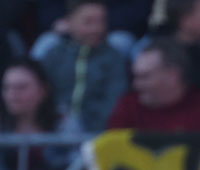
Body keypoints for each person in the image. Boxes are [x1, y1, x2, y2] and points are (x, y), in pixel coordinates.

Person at [30, 0, 129, 133]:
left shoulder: (113, 58)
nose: (96, 28)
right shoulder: (54, 55)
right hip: (52, 133)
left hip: (96, 134)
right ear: (69, 23)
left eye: (101, 21)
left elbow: (114, 100)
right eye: (88, 22)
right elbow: (42, 95)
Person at [105, 37, 200, 130]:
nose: (136, 85)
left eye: (145, 77)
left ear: (172, 76)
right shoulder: (128, 106)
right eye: (135, 76)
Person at [0, 59, 73, 170]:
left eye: (21, 87)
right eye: (6, 87)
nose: (12, 95)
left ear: (42, 90)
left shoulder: (64, 123)